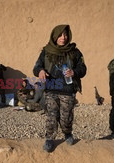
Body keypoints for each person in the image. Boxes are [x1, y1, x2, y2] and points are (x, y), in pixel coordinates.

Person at [33, 24, 87, 152]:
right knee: (51, 116)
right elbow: (36, 67)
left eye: (65, 35)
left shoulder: (75, 52)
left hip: (67, 91)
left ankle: (67, 133)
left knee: (66, 117)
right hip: (51, 89)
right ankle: (50, 138)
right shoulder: (46, 51)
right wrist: (40, 71)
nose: (63, 37)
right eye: (60, 35)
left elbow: (83, 69)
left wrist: (74, 72)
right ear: (54, 36)